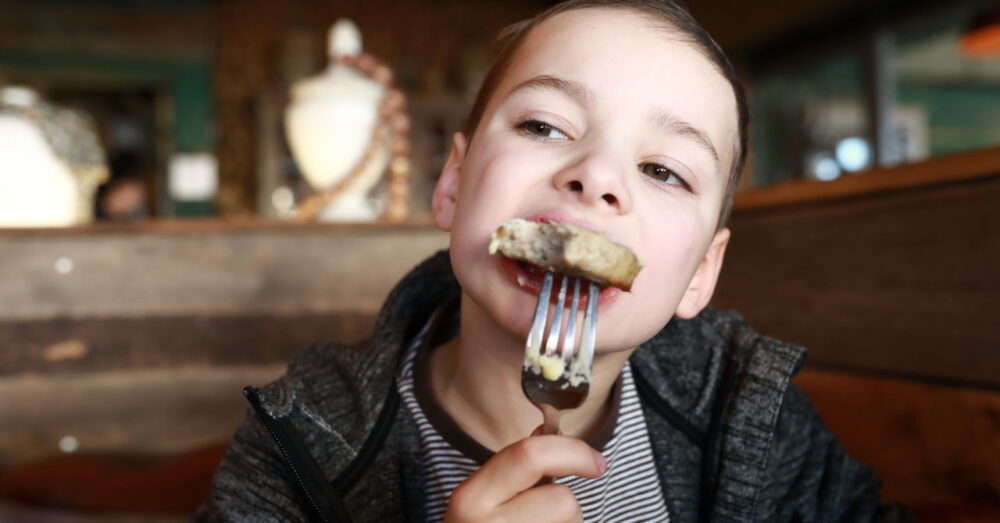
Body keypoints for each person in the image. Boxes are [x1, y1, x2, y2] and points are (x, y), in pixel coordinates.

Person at [195, 1, 910, 521]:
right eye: (544, 125)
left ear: (701, 273)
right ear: (452, 184)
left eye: (665, 170)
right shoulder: (304, 439)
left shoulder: (749, 409)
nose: (596, 175)